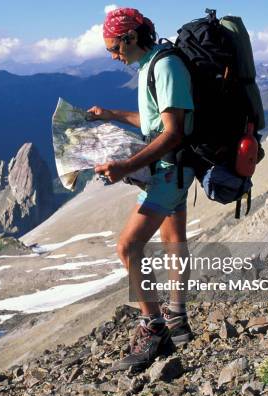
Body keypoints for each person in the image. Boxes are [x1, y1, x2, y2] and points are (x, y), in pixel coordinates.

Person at [87, 7, 195, 371]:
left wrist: (126, 167)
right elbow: (155, 122)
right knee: (173, 241)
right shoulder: (150, 65)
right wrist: (113, 115)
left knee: (128, 246)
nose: (113, 56)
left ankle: (154, 328)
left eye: (114, 48)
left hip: (171, 169)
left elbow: (174, 132)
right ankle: (178, 319)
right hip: (172, 168)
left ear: (131, 37)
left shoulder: (165, 66)